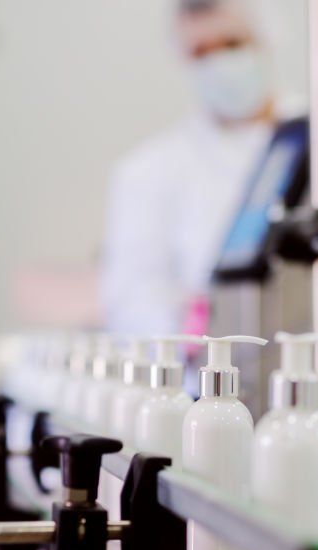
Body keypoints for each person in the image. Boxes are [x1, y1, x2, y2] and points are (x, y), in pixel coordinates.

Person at [100, 0, 278, 335]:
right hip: (205, 379)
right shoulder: (148, 171)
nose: (221, 63)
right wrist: (190, 330)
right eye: (201, 52)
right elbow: (129, 304)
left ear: (264, 40)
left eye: (232, 45)